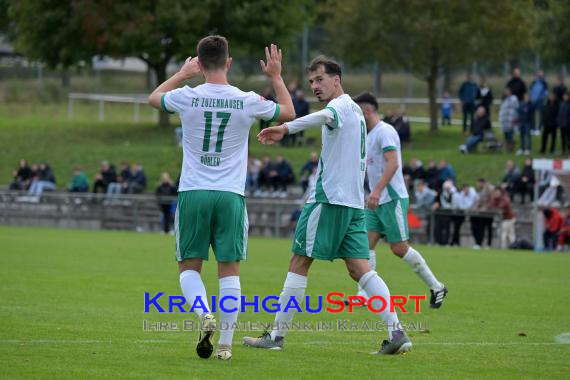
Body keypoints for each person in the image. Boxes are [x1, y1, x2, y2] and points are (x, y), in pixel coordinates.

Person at [243, 57, 412, 354]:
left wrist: (286, 128)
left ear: (337, 79)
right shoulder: (357, 111)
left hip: (328, 200)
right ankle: (396, 332)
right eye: (311, 82)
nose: (315, 86)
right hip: (353, 206)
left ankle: (276, 337)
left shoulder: (340, 107)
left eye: (320, 79)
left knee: (299, 262)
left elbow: (324, 117)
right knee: (360, 269)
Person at [148, 36, 295, 360]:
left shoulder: (187, 96)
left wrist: (182, 75)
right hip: (230, 194)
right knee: (229, 271)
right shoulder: (246, 99)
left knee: (189, 267)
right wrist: (275, 76)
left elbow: (154, 98)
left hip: (194, 191)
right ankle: (226, 346)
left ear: (199, 64)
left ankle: (203, 314)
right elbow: (288, 112)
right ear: (228, 63)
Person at [354, 91, 447, 304]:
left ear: (367, 110)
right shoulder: (368, 135)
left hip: (391, 197)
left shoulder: (385, 131)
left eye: (358, 110)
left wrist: (376, 191)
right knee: (364, 245)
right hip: (376, 200)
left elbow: (393, 163)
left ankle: (437, 287)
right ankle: (363, 294)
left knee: (399, 248)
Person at [432, 180, 456, 246]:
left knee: (447, 229)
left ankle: (446, 242)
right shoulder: (440, 193)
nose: (447, 189)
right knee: (438, 228)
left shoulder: (452, 194)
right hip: (439, 213)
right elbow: (436, 201)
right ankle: (437, 241)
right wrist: (436, 204)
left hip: (447, 214)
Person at [499, 87, 519, 153]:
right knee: (506, 135)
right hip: (504, 121)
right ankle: (507, 148)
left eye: (507, 91)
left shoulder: (513, 99)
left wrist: (515, 118)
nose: (506, 92)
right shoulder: (504, 99)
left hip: (510, 120)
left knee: (510, 135)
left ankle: (511, 148)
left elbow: (516, 108)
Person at [529, 69, 548, 134]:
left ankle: (539, 129)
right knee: (532, 114)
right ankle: (533, 128)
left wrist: (542, 98)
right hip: (533, 100)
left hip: (540, 100)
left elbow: (546, 92)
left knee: (541, 115)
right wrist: (531, 97)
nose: (539, 74)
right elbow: (531, 90)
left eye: (540, 73)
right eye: (538, 73)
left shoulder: (544, 82)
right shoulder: (534, 82)